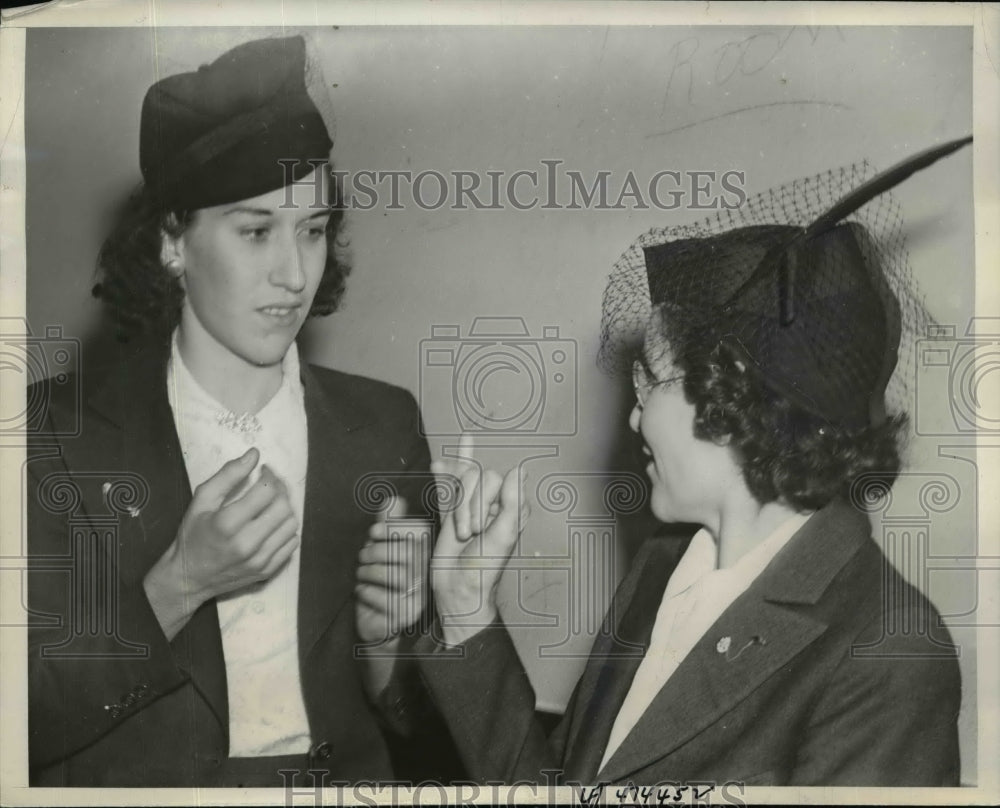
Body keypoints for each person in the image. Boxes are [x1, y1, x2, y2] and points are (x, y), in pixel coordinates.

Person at [407, 142, 969, 786]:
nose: (634, 418)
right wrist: (466, 606)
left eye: (650, 383)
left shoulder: (890, 652)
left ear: (726, 396)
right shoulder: (666, 563)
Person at [27, 35, 436, 787]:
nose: (294, 274)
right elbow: (21, 722)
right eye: (256, 232)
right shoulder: (54, 436)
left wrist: (385, 649)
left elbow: (419, 723)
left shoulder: (384, 427)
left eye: (312, 231)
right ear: (171, 244)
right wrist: (178, 583)